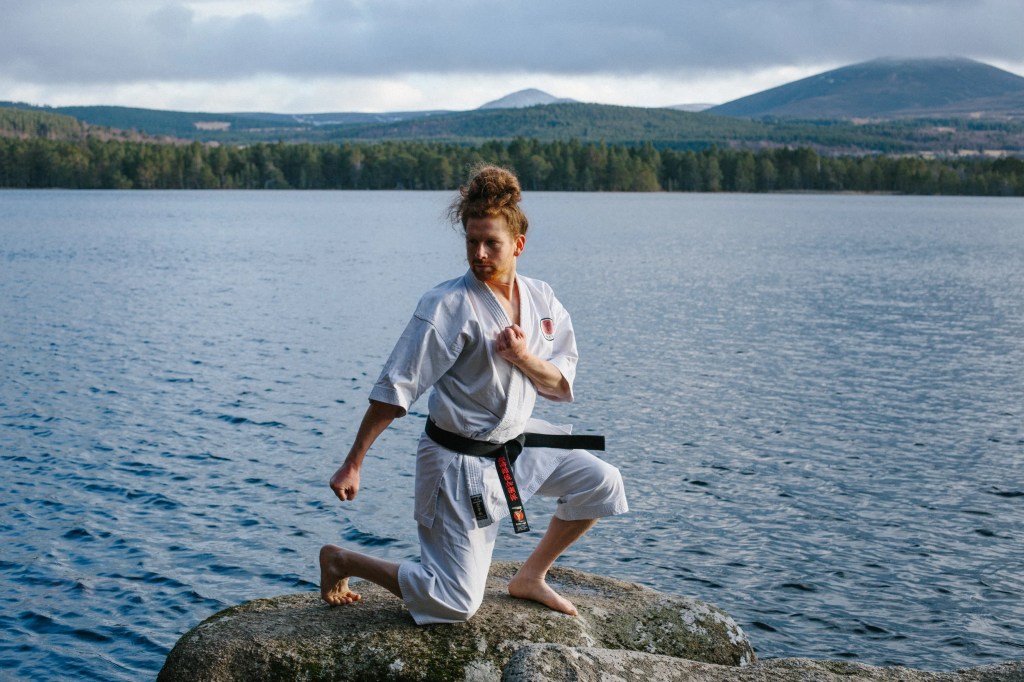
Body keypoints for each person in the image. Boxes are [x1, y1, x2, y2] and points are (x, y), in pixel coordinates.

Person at [319, 164, 627, 624]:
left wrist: (522, 357)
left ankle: (530, 577)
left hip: (515, 443)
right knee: (456, 603)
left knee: (603, 483)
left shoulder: (541, 298)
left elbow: (559, 384)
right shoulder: (446, 306)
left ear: (518, 244)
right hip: (457, 463)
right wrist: (354, 462)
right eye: (471, 242)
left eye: (491, 243)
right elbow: (395, 389)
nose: (479, 254)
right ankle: (342, 560)